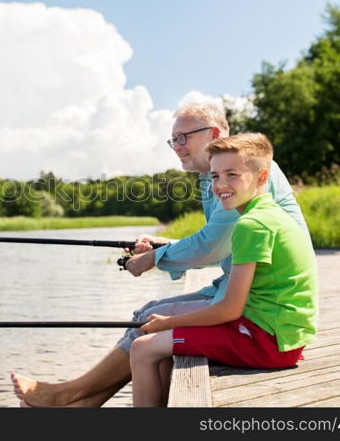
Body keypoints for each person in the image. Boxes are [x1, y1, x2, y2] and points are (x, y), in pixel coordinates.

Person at [11, 92, 311, 407]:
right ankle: (81, 403)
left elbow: (213, 245)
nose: (177, 146)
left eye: (184, 137)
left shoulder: (244, 174)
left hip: (260, 305)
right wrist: (162, 245)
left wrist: (154, 258)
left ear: (215, 134)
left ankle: (68, 394)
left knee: (148, 321)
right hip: (244, 291)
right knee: (147, 314)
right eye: (173, 140)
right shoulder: (219, 179)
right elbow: (221, 242)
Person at [131, 133, 318, 406]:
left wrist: (169, 322)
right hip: (283, 336)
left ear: (262, 177)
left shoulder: (251, 225)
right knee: (161, 346)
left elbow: (230, 309)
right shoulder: (270, 214)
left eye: (232, 175)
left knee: (142, 349)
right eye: (216, 176)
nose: (221, 185)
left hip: (266, 342)